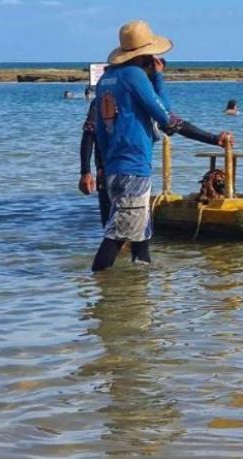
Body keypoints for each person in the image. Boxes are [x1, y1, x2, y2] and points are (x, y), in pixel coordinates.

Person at [91, 20, 231, 271]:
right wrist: (158, 77)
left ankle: (141, 283)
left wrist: (102, 166)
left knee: (141, 232)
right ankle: (99, 287)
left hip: (114, 168)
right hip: (133, 169)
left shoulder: (106, 79)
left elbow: (100, 131)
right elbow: (167, 118)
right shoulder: (133, 75)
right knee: (118, 235)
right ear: (144, 55)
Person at [78, 94, 109, 230]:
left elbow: (88, 135)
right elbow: (89, 135)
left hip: (128, 171)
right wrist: (86, 172)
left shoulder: (101, 99)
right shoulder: (100, 101)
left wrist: (85, 172)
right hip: (110, 173)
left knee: (111, 227)